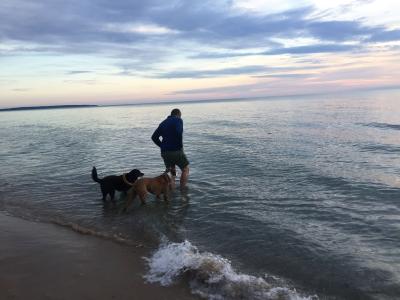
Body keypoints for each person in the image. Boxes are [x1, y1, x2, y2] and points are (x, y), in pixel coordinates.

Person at [151, 108, 189, 189]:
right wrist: (178, 145)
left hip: (165, 152)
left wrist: (162, 146)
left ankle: (171, 192)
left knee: (171, 172)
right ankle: (183, 191)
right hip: (176, 150)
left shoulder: (163, 123)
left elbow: (154, 137)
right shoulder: (178, 120)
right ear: (178, 114)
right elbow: (179, 132)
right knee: (185, 169)